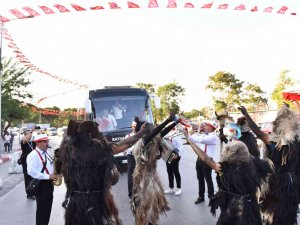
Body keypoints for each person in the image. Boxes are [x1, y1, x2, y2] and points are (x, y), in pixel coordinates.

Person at [57, 119, 151, 225]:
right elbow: (125, 144)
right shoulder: (97, 149)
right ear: (90, 135)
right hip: (94, 204)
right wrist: (142, 132)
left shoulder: (67, 149)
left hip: (74, 203)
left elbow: (59, 167)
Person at [184, 133, 273, 225]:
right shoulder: (257, 165)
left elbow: (204, 158)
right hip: (251, 208)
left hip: (232, 210)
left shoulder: (224, 169)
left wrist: (191, 142)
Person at [239, 105, 300, 225]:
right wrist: (246, 115)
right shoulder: (275, 143)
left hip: (287, 185)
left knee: (285, 214)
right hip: (280, 184)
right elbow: (259, 133)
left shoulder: (294, 143)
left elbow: (259, 133)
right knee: (278, 214)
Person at [27, 133, 57, 225]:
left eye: (47, 141)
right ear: (38, 143)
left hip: (48, 184)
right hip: (41, 185)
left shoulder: (46, 153)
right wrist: (48, 176)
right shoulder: (33, 155)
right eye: (45, 142)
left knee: (47, 209)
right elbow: (31, 171)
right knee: (42, 211)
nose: (47, 144)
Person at [188, 122, 218, 204]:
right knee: (200, 179)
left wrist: (191, 133)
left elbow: (199, 140)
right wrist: (191, 134)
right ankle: (201, 196)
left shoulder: (213, 137)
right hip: (200, 158)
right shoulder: (205, 135)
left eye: (207, 126)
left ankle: (211, 197)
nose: (205, 127)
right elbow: (195, 139)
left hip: (208, 160)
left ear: (211, 127)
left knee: (208, 179)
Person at [125, 117, 144, 202]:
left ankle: (141, 193)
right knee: (130, 176)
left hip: (140, 157)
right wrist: (133, 150)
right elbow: (125, 148)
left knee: (141, 175)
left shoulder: (142, 136)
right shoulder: (128, 136)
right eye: (133, 125)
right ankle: (131, 195)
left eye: (135, 125)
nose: (134, 127)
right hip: (131, 157)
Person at [163, 125, 184, 196]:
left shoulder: (176, 135)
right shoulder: (168, 135)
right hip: (168, 154)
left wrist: (178, 155)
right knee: (169, 171)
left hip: (175, 154)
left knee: (175, 172)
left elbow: (181, 145)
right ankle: (171, 188)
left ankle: (179, 188)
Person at [19, 130, 36, 200]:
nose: (31, 134)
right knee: (27, 178)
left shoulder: (32, 142)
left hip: (32, 162)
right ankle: (29, 194)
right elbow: (25, 139)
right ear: (25, 135)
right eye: (29, 133)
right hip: (25, 162)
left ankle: (33, 191)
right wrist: (31, 130)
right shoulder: (24, 142)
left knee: (33, 177)